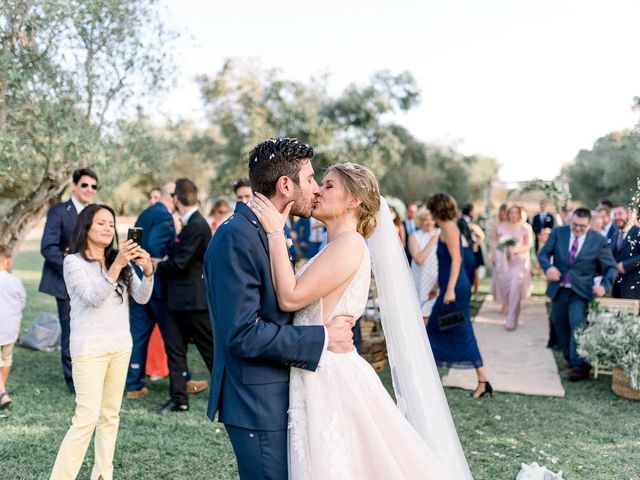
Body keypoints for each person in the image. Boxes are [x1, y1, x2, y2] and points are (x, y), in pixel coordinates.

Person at [253, 163, 471, 479]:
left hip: (330, 375)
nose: (317, 191)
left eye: (328, 186)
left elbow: (290, 297)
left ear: (354, 200)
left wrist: (275, 229)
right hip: (318, 367)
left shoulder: (350, 244)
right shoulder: (336, 245)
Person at [204, 138, 357, 480]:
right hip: (256, 402)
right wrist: (321, 337)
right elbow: (241, 334)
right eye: (311, 179)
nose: (316, 189)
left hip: (278, 394)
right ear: (286, 185)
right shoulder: (236, 236)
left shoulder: (268, 230)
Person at [50, 204, 153, 480]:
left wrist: (149, 272)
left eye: (111, 224)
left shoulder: (119, 261)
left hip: (120, 347)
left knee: (110, 415)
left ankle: (102, 474)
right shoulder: (73, 262)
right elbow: (93, 298)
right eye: (101, 223)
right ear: (86, 227)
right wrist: (118, 264)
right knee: (85, 419)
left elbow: (142, 298)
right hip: (89, 351)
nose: (108, 228)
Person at [538, 208, 617, 381]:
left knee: (577, 325)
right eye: (574, 224)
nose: (578, 228)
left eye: (582, 226)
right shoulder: (559, 233)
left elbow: (610, 267)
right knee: (560, 325)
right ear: (570, 221)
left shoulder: (598, 240)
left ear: (589, 225)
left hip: (581, 291)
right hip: (559, 288)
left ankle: (579, 366)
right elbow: (543, 254)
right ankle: (570, 358)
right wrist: (548, 267)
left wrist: (604, 286)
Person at [155, 178, 214, 413]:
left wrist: (158, 264)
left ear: (176, 199)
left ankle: (229, 396)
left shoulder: (198, 225)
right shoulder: (191, 224)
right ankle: (179, 399)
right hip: (177, 301)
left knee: (210, 351)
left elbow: (180, 264)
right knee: (175, 350)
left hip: (194, 302)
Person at [40, 167, 99, 394]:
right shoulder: (58, 211)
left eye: (93, 186)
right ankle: (73, 382)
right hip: (64, 283)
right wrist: (70, 266)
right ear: (74, 186)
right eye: (85, 185)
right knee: (71, 330)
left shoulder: (95, 212)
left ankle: (89, 374)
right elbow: (47, 247)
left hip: (92, 282)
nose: (89, 189)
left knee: (89, 330)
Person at [426, 193, 491, 398]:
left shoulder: (450, 228)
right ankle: (481, 380)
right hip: (449, 286)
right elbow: (445, 264)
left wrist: (450, 289)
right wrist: (438, 285)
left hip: (456, 289)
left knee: (451, 330)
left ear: (437, 210)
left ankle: (482, 380)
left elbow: (456, 261)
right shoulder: (445, 228)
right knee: (443, 329)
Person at [125, 183, 177, 399]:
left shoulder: (147, 212)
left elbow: (133, 239)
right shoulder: (165, 216)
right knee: (171, 333)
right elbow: (156, 246)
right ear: (173, 197)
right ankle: (182, 378)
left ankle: (133, 383)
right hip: (154, 281)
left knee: (138, 332)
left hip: (135, 278)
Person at [494, 205, 532, 331]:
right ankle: (513, 314)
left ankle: (511, 320)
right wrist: (497, 253)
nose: (513, 215)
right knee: (507, 290)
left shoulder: (526, 227)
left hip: (519, 262)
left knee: (515, 287)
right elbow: (496, 243)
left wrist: (516, 250)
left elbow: (528, 246)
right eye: (511, 212)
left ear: (520, 214)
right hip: (504, 263)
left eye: (516, 212)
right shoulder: (502, 226)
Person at [0, 245, 27, 409]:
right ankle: (2, 391)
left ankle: (2, 393)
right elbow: (22, 301)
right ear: (8, 262)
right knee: (6, 359)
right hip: (10, 329)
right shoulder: (15, 281)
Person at [408, 209, 439, 323]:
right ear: (420, 221)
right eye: (425, 220)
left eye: (431, 219)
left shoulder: (440, 233)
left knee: (436, 316)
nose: (429, 222)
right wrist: (433, 241)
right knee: (422, 316)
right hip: (421, 281)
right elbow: (419, 260)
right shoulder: (414, 237)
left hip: (436, 280)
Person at [610, 204, 640, 299]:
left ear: (629, 215)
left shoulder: (638, 232)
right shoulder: (615, 235)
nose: (617, 217)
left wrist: (625, 265)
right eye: (614, 214)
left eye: (620, 214)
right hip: (616, 286)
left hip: (634, 286)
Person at [490, 203, 509, 310]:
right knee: (500, 279)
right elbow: (494, 241)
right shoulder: (496, 224)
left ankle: (511, 302)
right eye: (502, 214)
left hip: (510, 253)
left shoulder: (513, 223)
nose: (504, 217)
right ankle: (503, 303)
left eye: (505, 214)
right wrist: (493, 255)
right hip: (499, 253)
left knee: (510, 279)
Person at [457, 203, 478, 292]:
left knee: (471, 271)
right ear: (470, 212)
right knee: (467, 271)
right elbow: (466, 236)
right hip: (465, 250)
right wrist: (474, 243)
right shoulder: (461, 222)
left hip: (468, 250)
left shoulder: (467, 221)